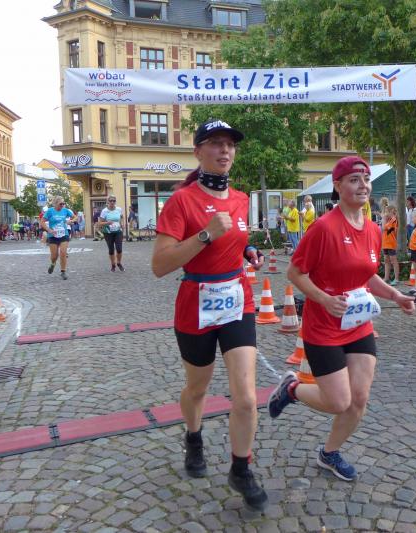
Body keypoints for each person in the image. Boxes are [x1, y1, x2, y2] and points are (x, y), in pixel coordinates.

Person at [267, 155, 415, 482]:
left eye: (366, 179)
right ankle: (292, 389)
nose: (363, 185)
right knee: (338, 401)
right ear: (338, 185)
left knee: (358, 399)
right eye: (354, 180)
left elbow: (366, 275)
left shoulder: (373, 229)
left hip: (358, 324)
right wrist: (323, 298)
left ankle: (329, 453)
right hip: (323, 328)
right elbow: (294, 272)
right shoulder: (323, 228)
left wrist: (396, 295)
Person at [150, 119, 268, 511]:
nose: (225, 150)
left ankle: (241, 468)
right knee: (197, 388)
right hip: (195, 302)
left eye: (230, 144)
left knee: (246, 397)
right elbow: (160, 265)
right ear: (198, 151)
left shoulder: (242, 198)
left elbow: (234, 239)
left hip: (237, 301)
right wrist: (205, 235)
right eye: (216, 143)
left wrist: (247, 251)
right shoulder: (181, 201)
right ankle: (194, 436)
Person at [41, 196, 77, 280]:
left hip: (64, 234)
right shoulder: (50, 211)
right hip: (53, 236)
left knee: (63, 253)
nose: (62, 205)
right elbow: (42, 222)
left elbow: (75, 217)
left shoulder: (65, 210)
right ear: (55, 203)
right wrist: (49, 230)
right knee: (54, 256)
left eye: (63, 203)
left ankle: (63, 271)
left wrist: (71, 221)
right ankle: (53, 264)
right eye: (61, 204)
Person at [98, 195, 126, 272]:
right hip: (108, 232)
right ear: (108, 201)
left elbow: (122, 217)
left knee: (119, 249)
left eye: (114, 200)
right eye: (111, 200)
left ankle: (119, 263)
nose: (112, 202)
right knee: (111, 249)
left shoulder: (119, 209)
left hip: (118, 231)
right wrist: (107, 223)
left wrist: (122, 224)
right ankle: (113, 264)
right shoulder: (104, 211)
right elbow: (100, 223)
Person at [381, 206, 400, 284]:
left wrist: (383, 219)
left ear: (391, 212)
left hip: (391, 243)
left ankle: (396, 279)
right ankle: (386, 278)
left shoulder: (394, 220)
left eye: (386, 212)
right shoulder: (388, 220)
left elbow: (384, 227)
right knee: (386, 260)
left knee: (393, 260)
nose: (385, 214)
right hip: (385, 242)